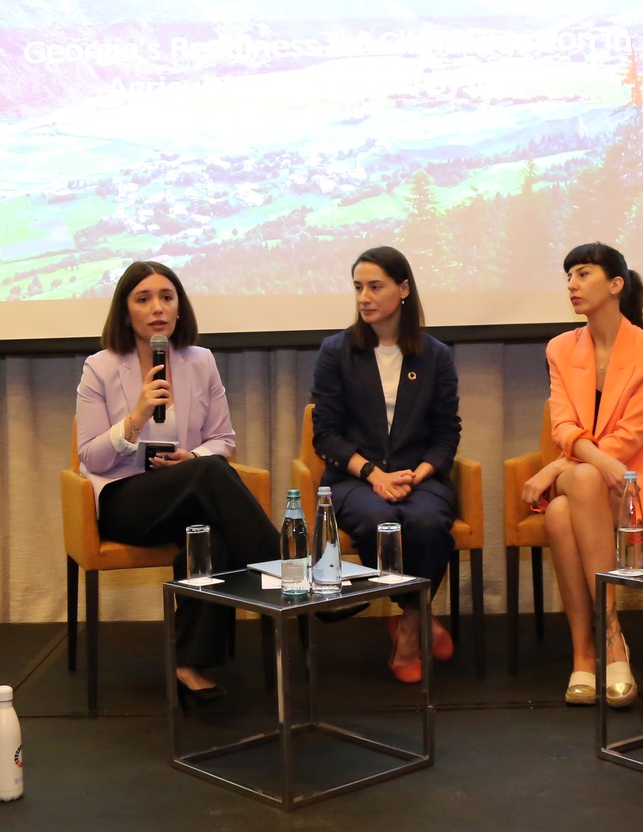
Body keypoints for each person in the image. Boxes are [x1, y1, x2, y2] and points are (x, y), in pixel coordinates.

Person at [76, 261, 278, 705]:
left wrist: (192, 458)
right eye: (143, 299)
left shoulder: (200, 361)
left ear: (179, 308)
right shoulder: (100, 367)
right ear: (125, 311)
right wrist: (136, 417)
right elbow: (90, 456)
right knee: (211, 475)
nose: (157, 308)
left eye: (167, 297)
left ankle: (189, 663)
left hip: (188, 496)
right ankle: (287, 571)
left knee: (211, 527)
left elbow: (223, 440)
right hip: (125, 501)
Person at [519, 243, 643, 709]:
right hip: (595, 473)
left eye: (583, 273)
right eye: (568, 275)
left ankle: (587, 653)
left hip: (636, 476)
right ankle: (610, 639)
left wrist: (558, 466)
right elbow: (563, 425)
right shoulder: (560, 348)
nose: (572, 284)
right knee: (585, 481)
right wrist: (592, 462)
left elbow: (630, 437)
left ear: (615, 285)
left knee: (560, 510)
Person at [310, 246, 461, 683]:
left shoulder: (435, 355)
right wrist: (374, 474)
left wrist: (419, 473)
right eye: (358, 287)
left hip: (419, 477)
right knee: (381, 520)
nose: (364, 297)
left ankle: (409, 626)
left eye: (375, 287)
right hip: (355, 478)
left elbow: (447, 432)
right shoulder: (336, 351)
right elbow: (325, 434)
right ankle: (420, 615)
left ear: (404, 289)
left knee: (428, 522)